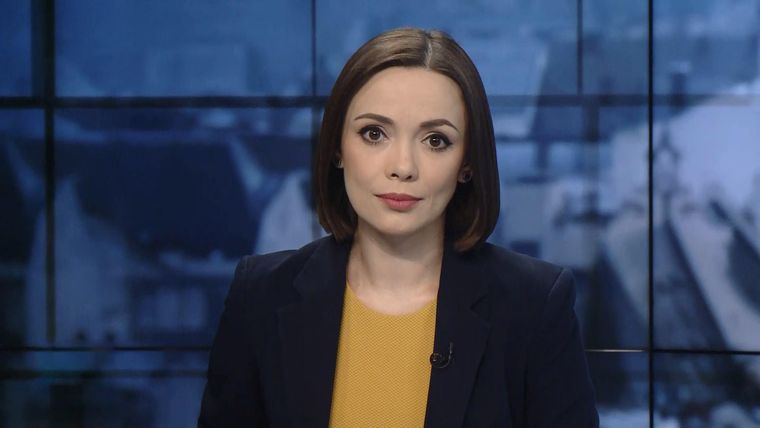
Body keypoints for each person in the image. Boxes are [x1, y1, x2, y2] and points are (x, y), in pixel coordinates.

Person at [198, 27, 599, 428]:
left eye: (436, 140)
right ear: (337, 147)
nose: (403, 167)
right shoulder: (260, 296)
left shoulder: (534, 307)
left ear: (467, 163)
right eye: (374, 134)